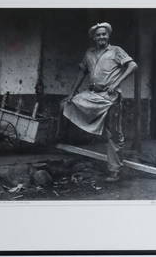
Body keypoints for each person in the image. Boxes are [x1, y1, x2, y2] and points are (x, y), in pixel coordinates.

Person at [57, 22, 138, 182]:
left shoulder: (116, 51)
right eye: (98, 35)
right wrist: (71, 93)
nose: (101, 37)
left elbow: (133, 66)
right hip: (92, 95)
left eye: (104, 34)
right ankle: (62, 143)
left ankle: (114, 170)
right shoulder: (89, 53)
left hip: (110, 99)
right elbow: (82, 73)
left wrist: (116, 84)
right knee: (65, 104)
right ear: (94, 38)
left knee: (113, 134)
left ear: (108, 36)